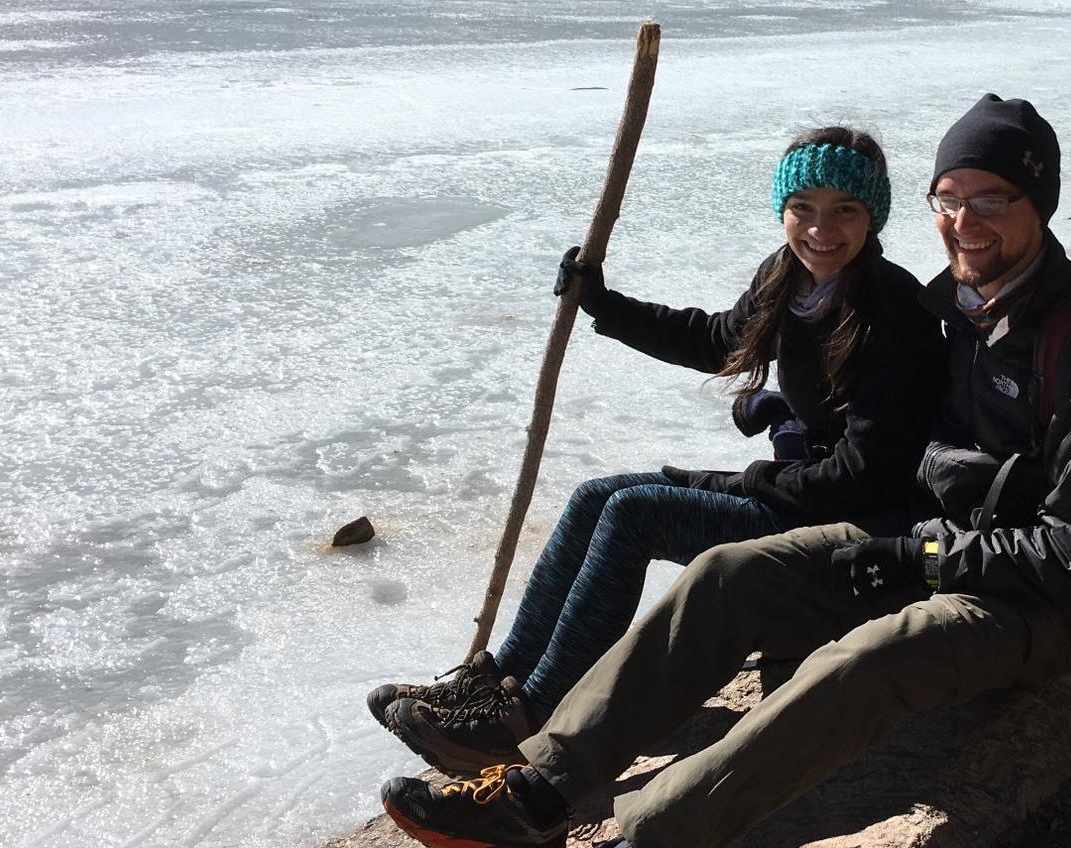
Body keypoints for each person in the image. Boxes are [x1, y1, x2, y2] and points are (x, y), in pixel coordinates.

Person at [380, 93, 1071, 848]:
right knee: (731, 574)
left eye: (992, 197)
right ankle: (537, 793)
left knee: (873, 657)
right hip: (928, 542)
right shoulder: (950, 307)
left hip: (1029, 603)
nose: (965, 221)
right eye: (948, 197)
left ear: (1041, 203)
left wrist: (917, 562)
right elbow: (801, 383)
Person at [367, 126, 947, 778]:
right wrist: (604, 306)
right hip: (807, 485)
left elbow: (863, 477)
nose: (821, 228)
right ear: (782, 210)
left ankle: (529, 716)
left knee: (636, 513)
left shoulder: (894, 312)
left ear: (873, 214)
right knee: (596, 496)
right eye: (802, 208)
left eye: (845, 209)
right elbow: (716, 340)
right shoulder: (787, 279)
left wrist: (740, 482)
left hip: (853, 523)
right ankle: (494, 682)